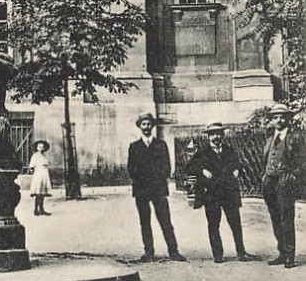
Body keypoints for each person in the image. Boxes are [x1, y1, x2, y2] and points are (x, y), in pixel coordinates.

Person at [127, 113, 186, 262]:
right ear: (140, 126)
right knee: (145, 222)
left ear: (153, 126)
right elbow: (131, 169)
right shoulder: (134, 147)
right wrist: (143, 180)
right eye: (144, 124)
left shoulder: (161, 145)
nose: (147, 127)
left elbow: (166, 167)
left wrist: (155, 180)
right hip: (141, 190)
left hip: (158, 189)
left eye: (149, 124)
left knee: (165, 221)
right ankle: (148, 253)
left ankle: (174, 251)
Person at [189, 123, 251, 263]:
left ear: (222, 135)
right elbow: (189, 168)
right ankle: (218, 254)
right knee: (213, 224)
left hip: (229, 193)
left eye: (218, 133)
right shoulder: (202, 153)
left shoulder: (229, 151)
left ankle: (241, 253)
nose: (216, 137)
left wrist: (237, 170)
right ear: (208, 136)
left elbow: (238, 164)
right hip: (211, 195)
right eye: (213, 134)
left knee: (235, 223)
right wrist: (202, 171)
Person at [262, 104, 305, 269]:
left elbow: (303, 161)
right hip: (270, 182)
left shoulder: (296, 137)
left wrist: (293, 176)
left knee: (286, 218)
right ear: (271, 120)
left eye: (282, 116)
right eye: (275, 117)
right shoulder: (269, 139)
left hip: (285, 181)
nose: (278, 120)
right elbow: (265, 160)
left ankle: (290, 255)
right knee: (275, 217)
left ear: (288, 119)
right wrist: (265, 175)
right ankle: (281, 252)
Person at [29, 140, 52, 216]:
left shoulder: (44, 156)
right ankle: (36, 209)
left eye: (42, 147)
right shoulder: (35, 156)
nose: (41, 148)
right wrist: (35, 172)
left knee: (42, 192)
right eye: (39, 147)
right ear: (37, 148)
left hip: (44, 174)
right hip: (38, 173)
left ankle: (42, 209)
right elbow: (31, 166)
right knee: (38, 192)